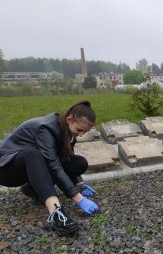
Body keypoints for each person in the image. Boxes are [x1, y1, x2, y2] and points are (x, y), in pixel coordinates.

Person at [0, 100, 100, 237]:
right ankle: (56, 214)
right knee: (33, 154)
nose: (81, 134)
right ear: (69, 119)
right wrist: (78, 198)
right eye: (79, 130)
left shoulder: (68, 132)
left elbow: (64, 159)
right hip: (6, 168)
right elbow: (53, 165)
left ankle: (33, 189)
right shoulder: (45, 129)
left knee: (78, 163)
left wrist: (79, 183)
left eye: (85, 131)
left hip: (30, 167)